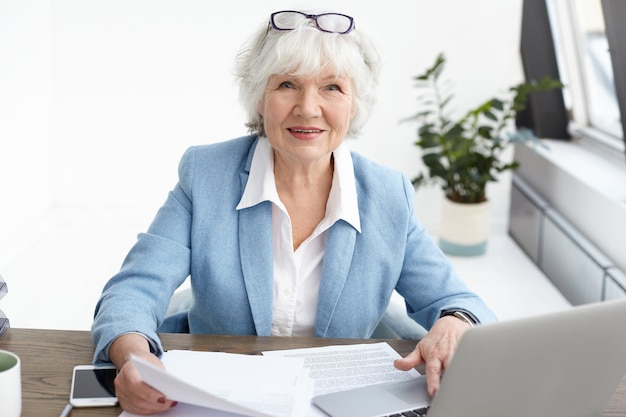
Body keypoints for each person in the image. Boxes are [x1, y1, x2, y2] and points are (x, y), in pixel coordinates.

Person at [91, 9, 497, 415]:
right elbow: (132, 291)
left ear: (355, 104)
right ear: (259, 97)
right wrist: (133, 358)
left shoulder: (389, 194)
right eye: (287, 84)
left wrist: (454, 322)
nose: (307, 107)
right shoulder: (205, 174)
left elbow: (458, 300)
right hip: (216, 400)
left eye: (332, 87)